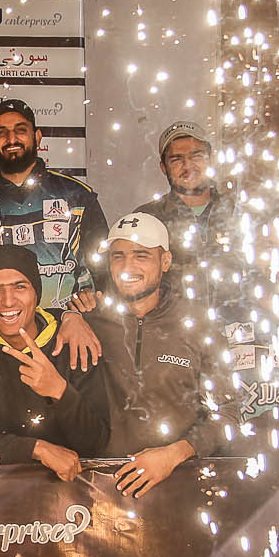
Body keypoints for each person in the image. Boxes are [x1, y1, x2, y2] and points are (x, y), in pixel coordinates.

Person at [0, 246, 110, 480]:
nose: (8, 301)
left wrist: (60, 392)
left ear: (36, 293)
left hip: (66, 495)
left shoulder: (73, 342)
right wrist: (35, 449)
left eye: (20, 287)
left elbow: (97, 443)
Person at [90, 213, 233, 497]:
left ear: (165, 261)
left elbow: (227, 414)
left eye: (141, 255)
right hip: (102, 490)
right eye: (118, 256)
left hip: (181, 486)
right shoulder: (91, 320)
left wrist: (174, 454)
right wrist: (70, 316)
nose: (127, 266)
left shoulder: (198, 324)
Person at [0, 99, 108, 314]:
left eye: (20, 130)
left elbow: (104, 267)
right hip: (7, 328)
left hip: (72, 326)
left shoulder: (77, 196)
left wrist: (95, 297)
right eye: (1, 133)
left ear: (37, 137)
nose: (11, 139)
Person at [136, 120, 239, 281]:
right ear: (163, 167)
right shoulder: (146, 219)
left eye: (197, 156)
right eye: (176, 159)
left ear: (211, 159)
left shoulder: (238, 210)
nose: (188, 166)